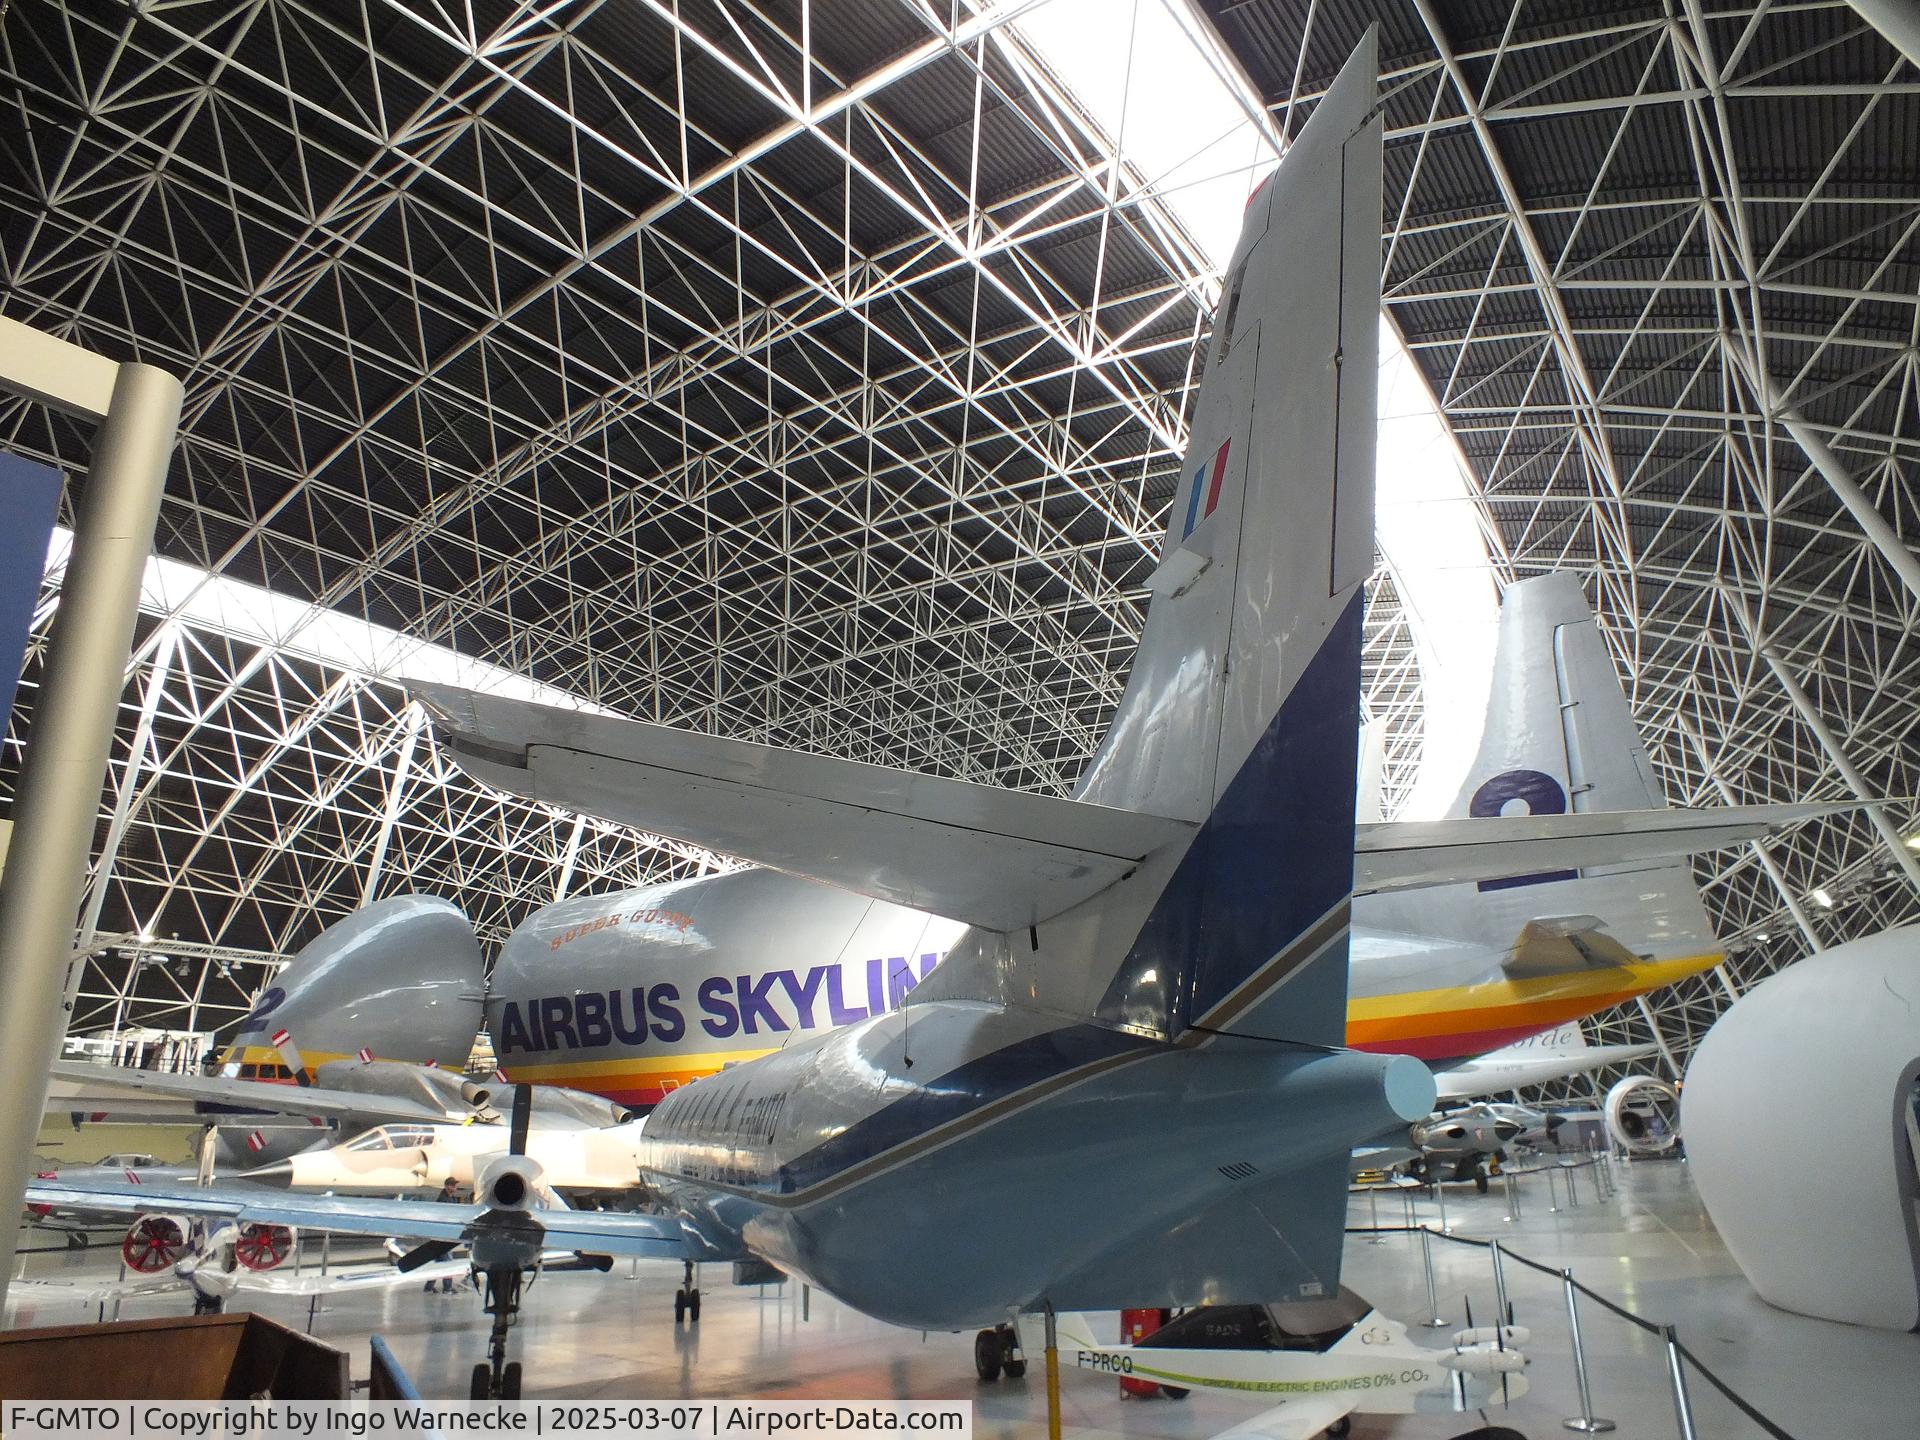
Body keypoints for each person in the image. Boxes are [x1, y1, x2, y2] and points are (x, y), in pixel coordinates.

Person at [426, 1178, 462, 1293]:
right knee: (447, 1263)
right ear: (447, 1186)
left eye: (455, 1185)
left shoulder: (451, 1198)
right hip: (443, 1236)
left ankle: (429, 1287)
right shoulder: (443, 1200)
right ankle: (447, 1288)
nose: (455, 1187)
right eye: (452, 1185)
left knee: (439, 1262)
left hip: (444, 1235)